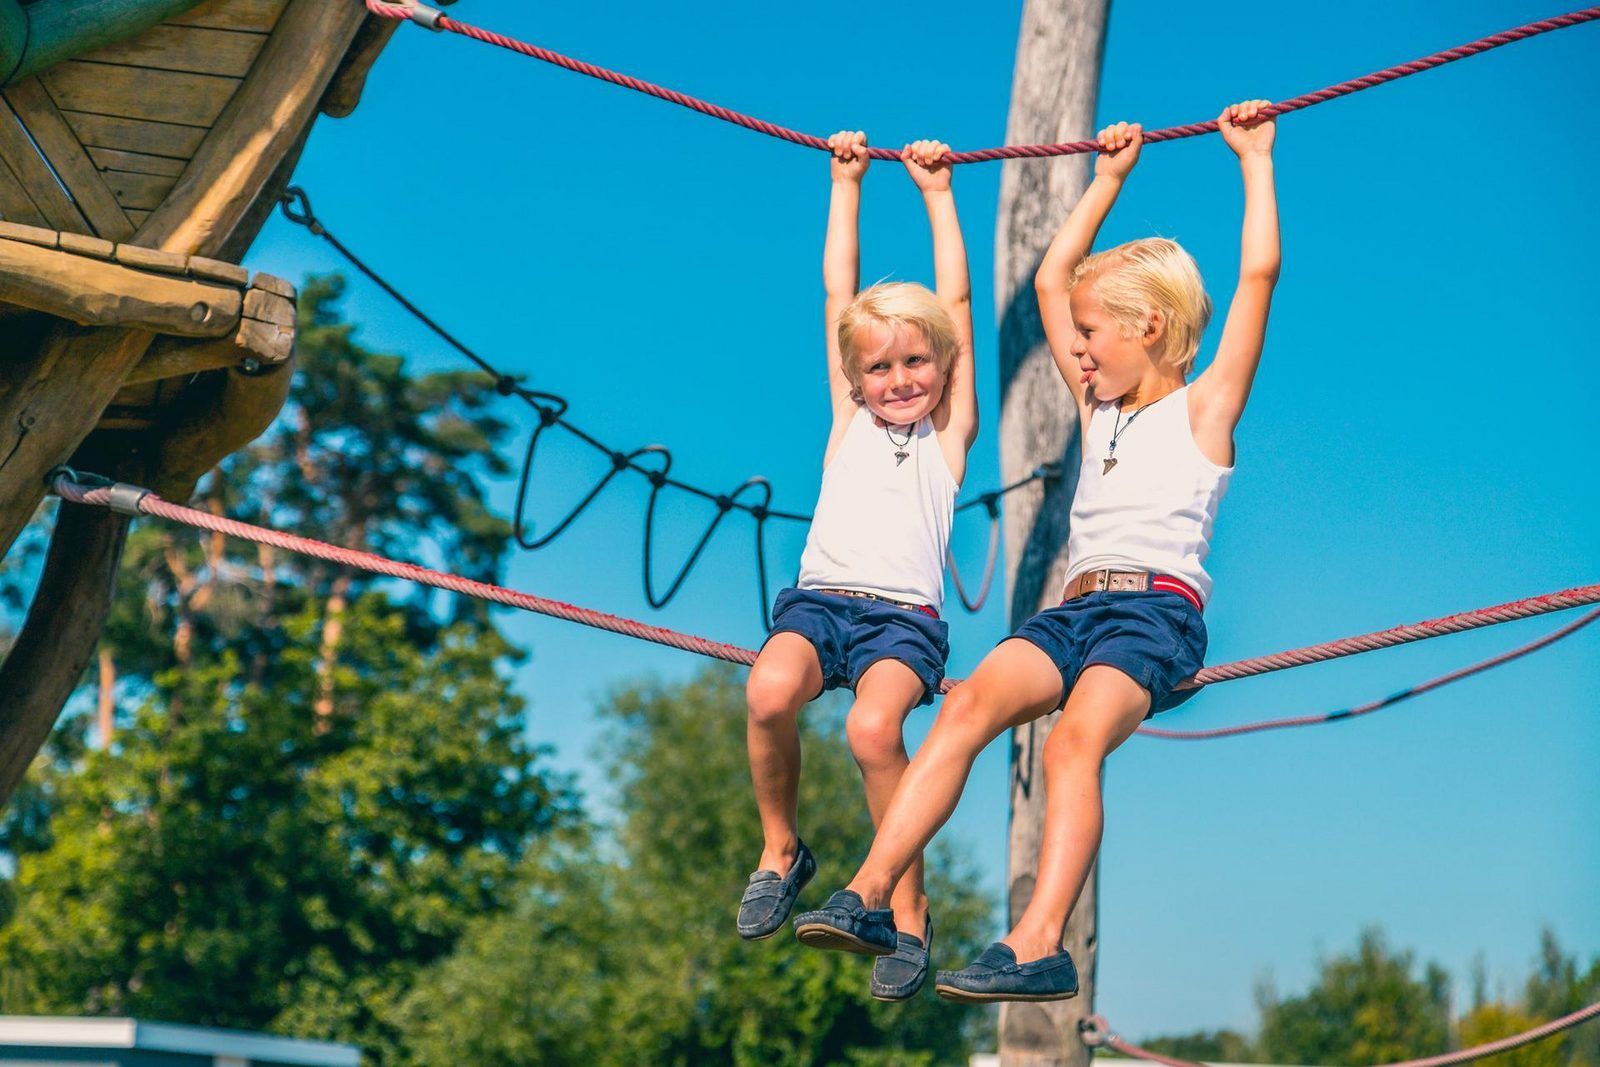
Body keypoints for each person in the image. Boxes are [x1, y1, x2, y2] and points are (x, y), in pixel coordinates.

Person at [793, 100, 1280, 1004]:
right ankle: (870, 891)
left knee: (1072, 746)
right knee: (970, 701)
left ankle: (1039, 942)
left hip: (1153, 612)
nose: (1078, 351)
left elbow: (1259, 274)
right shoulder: (1099, 406)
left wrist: (1254, 160)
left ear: (1153, 330)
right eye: (1080, 337)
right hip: (1072, 607)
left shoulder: (1204, 408)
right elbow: (1054, 280)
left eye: (1093, 336)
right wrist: (1106, 181)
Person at [737, 130, 978, 1002]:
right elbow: (838, 293)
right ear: (855, 376)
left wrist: (937, 194)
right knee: (767, 692)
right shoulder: (850, 420)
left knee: (873, 732)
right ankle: (781, 848)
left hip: (900, 621)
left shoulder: (948, 438)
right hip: (819, 604)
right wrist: (847, 184)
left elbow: (955, 296)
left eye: (917, 359)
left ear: (944, 364)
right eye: (879, 366)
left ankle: (907, 911)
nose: (900, 376)